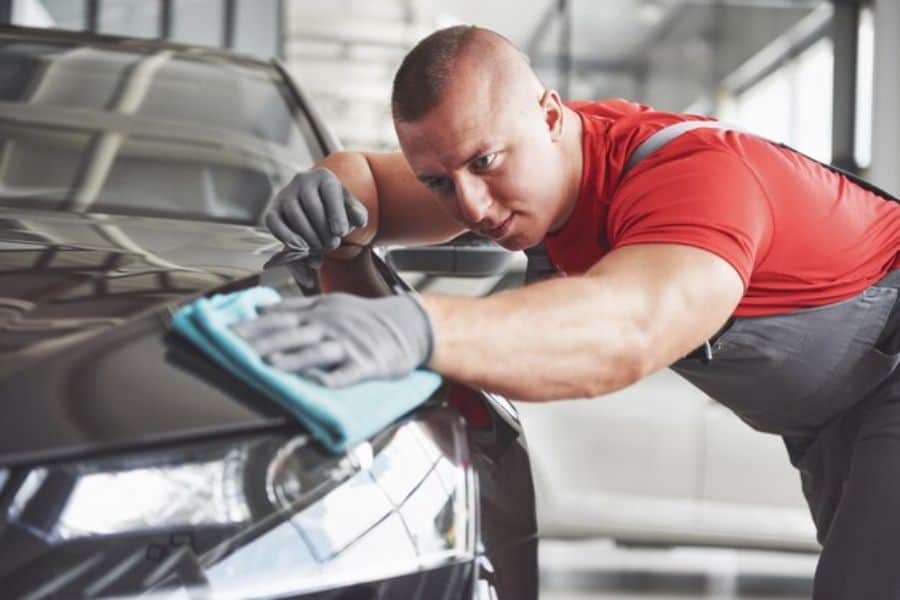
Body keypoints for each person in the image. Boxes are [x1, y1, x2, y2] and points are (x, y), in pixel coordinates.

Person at [231, 25, 900, 598]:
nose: (468, 207)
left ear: (551, 115)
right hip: (831, 412)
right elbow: (373, 181)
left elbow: (629, 327)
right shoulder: (521, 161)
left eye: (484, 163)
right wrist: (335, 194)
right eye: (439, 181)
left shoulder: (694, 179)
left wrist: (416, 329)